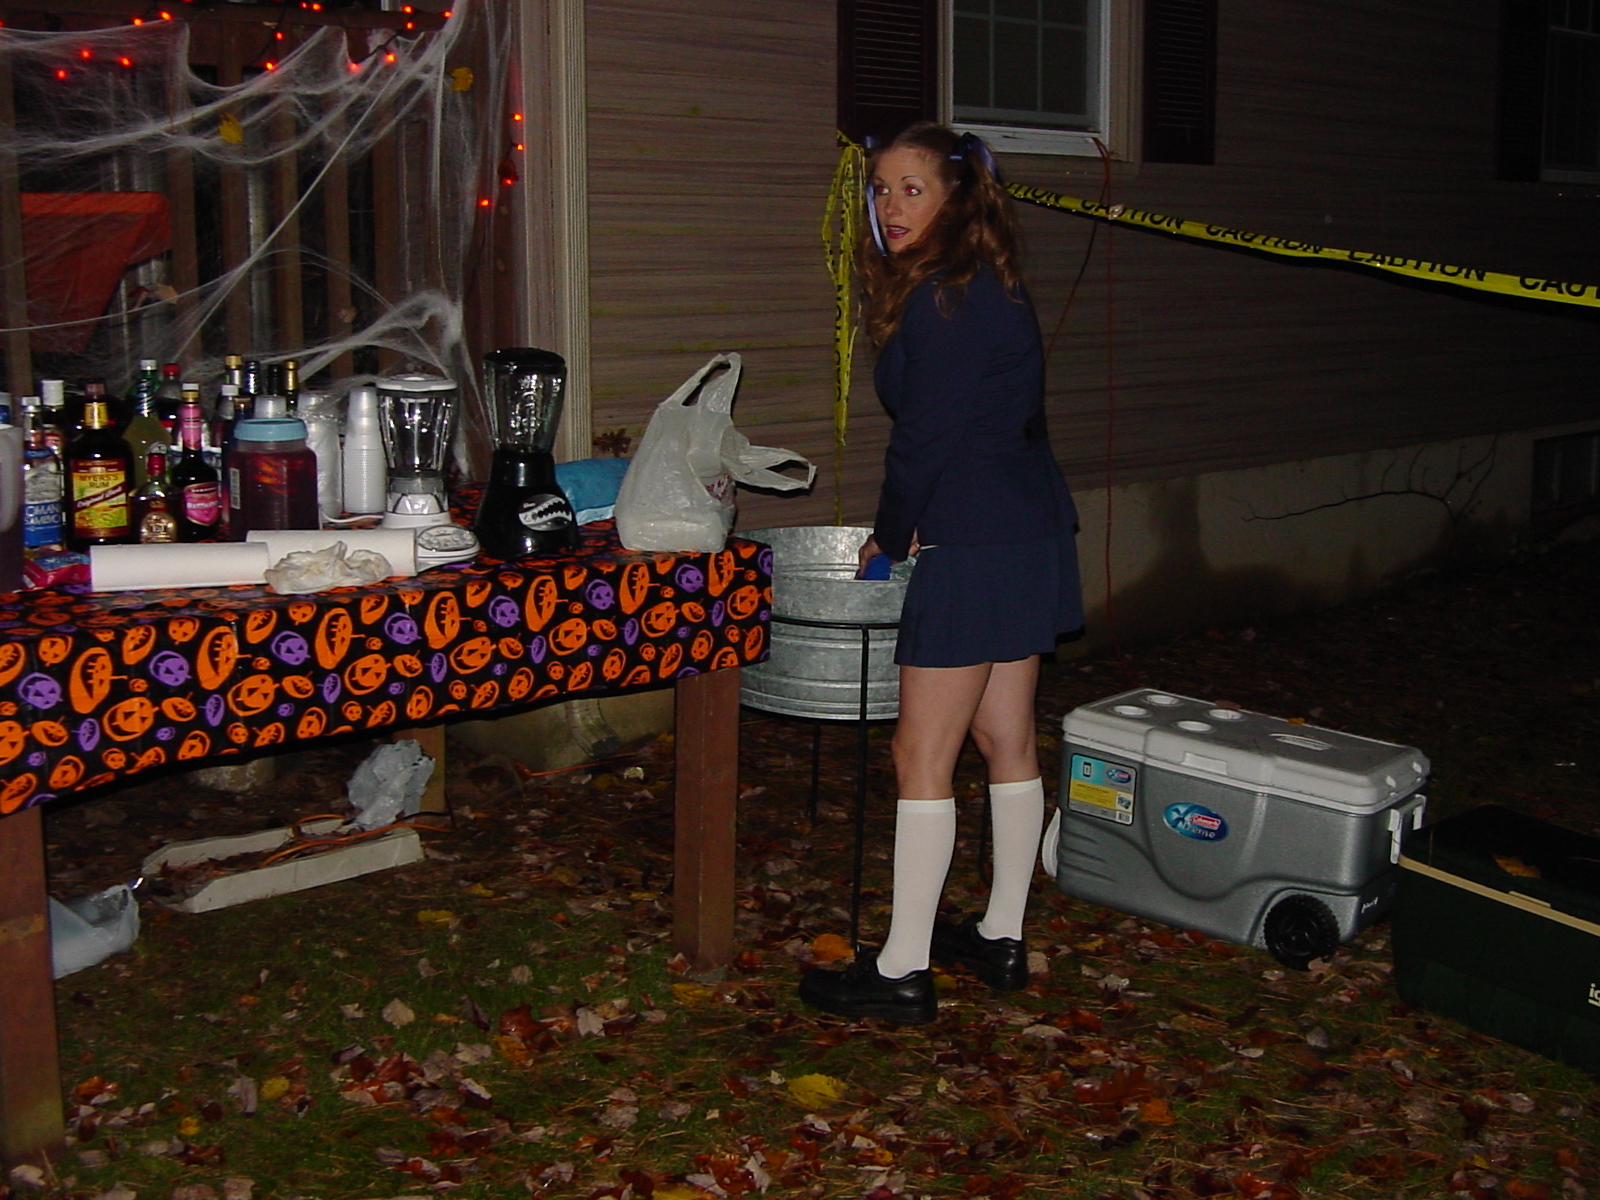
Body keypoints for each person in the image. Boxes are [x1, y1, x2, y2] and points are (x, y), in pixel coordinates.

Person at [798, 123, 1084, 1024]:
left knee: (919, 755)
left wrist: (888, 537)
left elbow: (924, 440)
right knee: (1007, 739)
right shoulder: (987, 282)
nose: (890, 207)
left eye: (912, 189)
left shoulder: (946, 300)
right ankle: (1001, 935)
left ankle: (903, 969)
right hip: (1026, 529)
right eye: (880, 190)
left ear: (959, 197)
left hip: (970, 541)